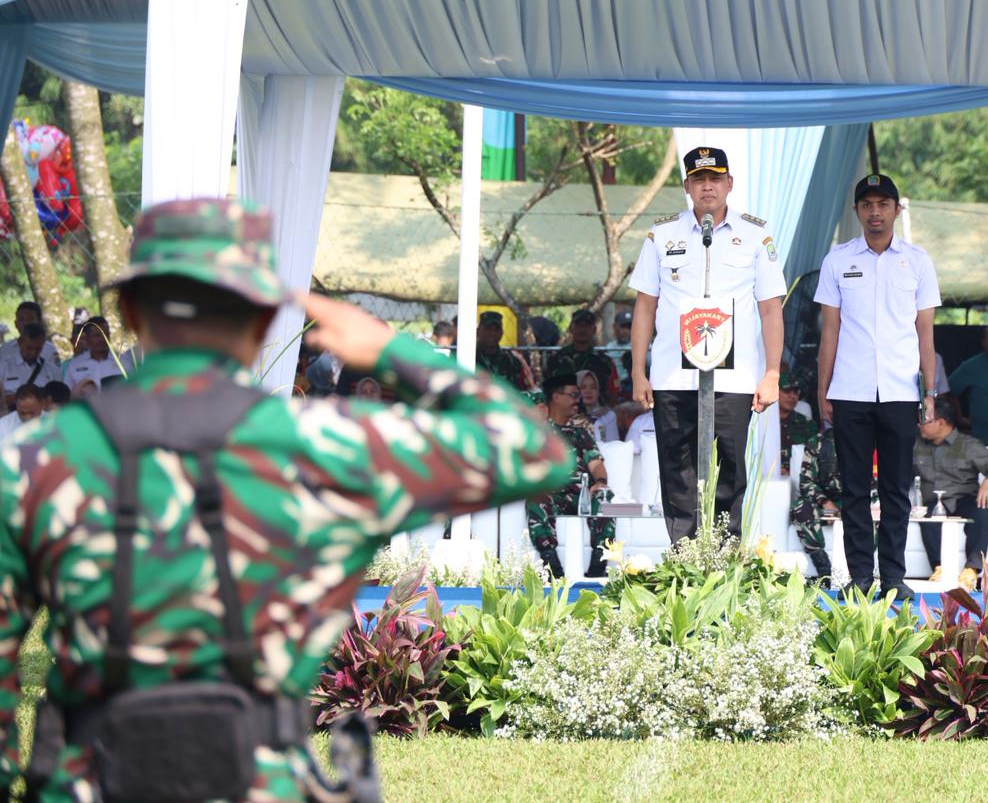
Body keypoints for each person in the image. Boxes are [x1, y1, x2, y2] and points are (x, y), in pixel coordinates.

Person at [0, 198, 572, 800]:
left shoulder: (38, 458)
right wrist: (389, 351)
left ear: (130, 313)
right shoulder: (328, 447)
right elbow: (535, 450)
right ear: (260, 321)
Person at [629, 146, 786, 541]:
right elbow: (645, 306)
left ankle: (724, 558)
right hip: (673, 373)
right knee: (677, 468)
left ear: (729, 183)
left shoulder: (755, 234)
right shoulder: (662, 235)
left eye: (715, 179)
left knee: (730, 469)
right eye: (699, 180)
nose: (707, 188)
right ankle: (684, 557)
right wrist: (637, 371)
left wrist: (771, 373)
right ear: (687, 186)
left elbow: (770, 309)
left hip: (734, 377)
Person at [815, 172, 941, 601]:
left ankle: (892, 577)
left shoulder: (918, 260)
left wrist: (930, 392)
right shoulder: (838, 260)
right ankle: (860, 577)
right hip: (849, 390)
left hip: (901, 391)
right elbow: (828, 330)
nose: (875, 212)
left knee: (895, 489)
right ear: (856, 212)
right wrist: (822, 389)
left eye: (883, 204)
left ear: (896, 209)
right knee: (853, 488)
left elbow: (925, 333)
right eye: (867, 204)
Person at [913, 397, 988, 590]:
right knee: (928, 518)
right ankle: (939, 568)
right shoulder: (916, 445)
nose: (919, 425)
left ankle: (971, 570)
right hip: (933, 500)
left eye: (924, 421)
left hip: (965, 498)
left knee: (981, 511)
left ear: (941, 422)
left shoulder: (968, 445)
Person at [525, 373, 614, 578]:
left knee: (605, 496)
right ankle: (551, 563)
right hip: (551, 494)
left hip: (581, 495)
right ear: (556, 397)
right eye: (573, 395)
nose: (578, 399)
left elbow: (596, 464)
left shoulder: (580, 433)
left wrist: (600, 482)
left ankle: (599, 563)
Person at [789, 425, 838, 584]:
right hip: (826, 501)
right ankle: (824, 571)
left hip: (859, 501)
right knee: (800, 508)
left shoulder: (867, 439)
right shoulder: (818, 442)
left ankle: (862, 575)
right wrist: (825, 502)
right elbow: (806, 482)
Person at [547, 309, 621, 403]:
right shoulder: (556, 359)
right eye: (578, 325)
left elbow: (613, 394)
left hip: (597, 414)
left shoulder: (605, 362)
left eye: (587, 326)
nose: (582, 329)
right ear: (570, 328)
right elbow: (549, 391)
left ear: (594, 330)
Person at [0, 323, 60, 405]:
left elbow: (60, 400)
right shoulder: (3, 368)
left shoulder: (52, 371)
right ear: (20, 342)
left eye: (38, 349)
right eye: (29, 348)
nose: (33, 353)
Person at [475, 310, 534, 390]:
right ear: (478, 331)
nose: (492, 333)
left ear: (502, 332)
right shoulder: (468, 357)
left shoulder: (511, 360)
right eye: (488, 329)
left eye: (497, 329)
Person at [63, 316, 129, 387]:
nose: (102, 339)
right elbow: (69, 395)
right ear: (87, 338)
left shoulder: (123, 361)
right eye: (97, 335)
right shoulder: (74, 365)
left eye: (106, 334)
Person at [778, 371, 817, 477]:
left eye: (795, 392)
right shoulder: (763, 424)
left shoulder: (808, 424)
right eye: (787, 391)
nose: (792, 396)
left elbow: (813, 458)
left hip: (800, 477)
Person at [0, 301, 59, 368]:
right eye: (21, 319)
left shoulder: (49, 349)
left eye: (30, 319)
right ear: (16, 324)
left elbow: (55, 375)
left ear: (39, 322)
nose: (25, 323)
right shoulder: (5, 350)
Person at [576, 369, 619, 443]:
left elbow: (613, 444)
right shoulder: (568, 416)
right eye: (583, 387)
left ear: (598, 392)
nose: (588, 391)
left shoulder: (608, 415)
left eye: (593, 387)